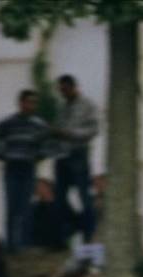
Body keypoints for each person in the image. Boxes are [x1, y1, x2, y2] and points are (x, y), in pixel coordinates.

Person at [0, 89, 49, 252]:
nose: (32, 105)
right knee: (11, 206)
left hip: (28, 168)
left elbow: (48, 144)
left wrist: (38, 156)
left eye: (34, 102)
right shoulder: (8, 123)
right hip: (12, 167)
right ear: (21, 103)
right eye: (29, 102)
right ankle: (10, 245)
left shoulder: (39, 124)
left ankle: (24, 243)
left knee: (26, 207)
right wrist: (2, 155)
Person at [52, 74, 99, 244]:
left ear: (73, 87)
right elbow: (58, 129)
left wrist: (71, 134)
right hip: (62, 156)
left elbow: (94, 129)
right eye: (61, 90)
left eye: (65, 89)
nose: (63, 93)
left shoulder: (87, 105)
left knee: (84, 197)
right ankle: (71, 229)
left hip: (79, 154)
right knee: (59, 198)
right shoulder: (61, 107)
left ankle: (88, 235)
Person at [30, 178, 69, 250]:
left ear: (49, 187)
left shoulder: (61, 205)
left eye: (42, 187)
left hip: (60, 243)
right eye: (38, 188)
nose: (40, 190)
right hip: (42, 244)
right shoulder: (35, 208)